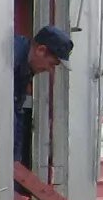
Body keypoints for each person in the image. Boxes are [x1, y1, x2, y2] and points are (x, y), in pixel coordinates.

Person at [13, 24, 74, 167]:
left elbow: (16, 112)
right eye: (52, 64)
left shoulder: (25, 65)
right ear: (41, 50)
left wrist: (14, 159)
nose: (50, 70)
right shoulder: (11, 60)